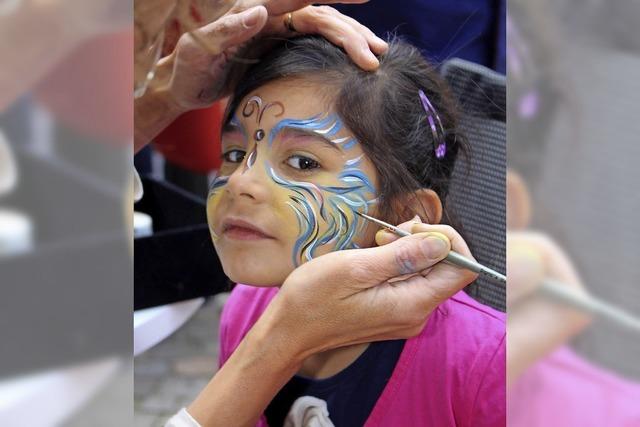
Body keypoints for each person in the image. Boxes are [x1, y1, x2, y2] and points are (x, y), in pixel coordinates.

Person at [193, 36, 505, 426]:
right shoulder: (247, 309)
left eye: (303, 162)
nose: (240, 182)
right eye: (235, 154)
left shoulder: (491, 364)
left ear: (405, 214)